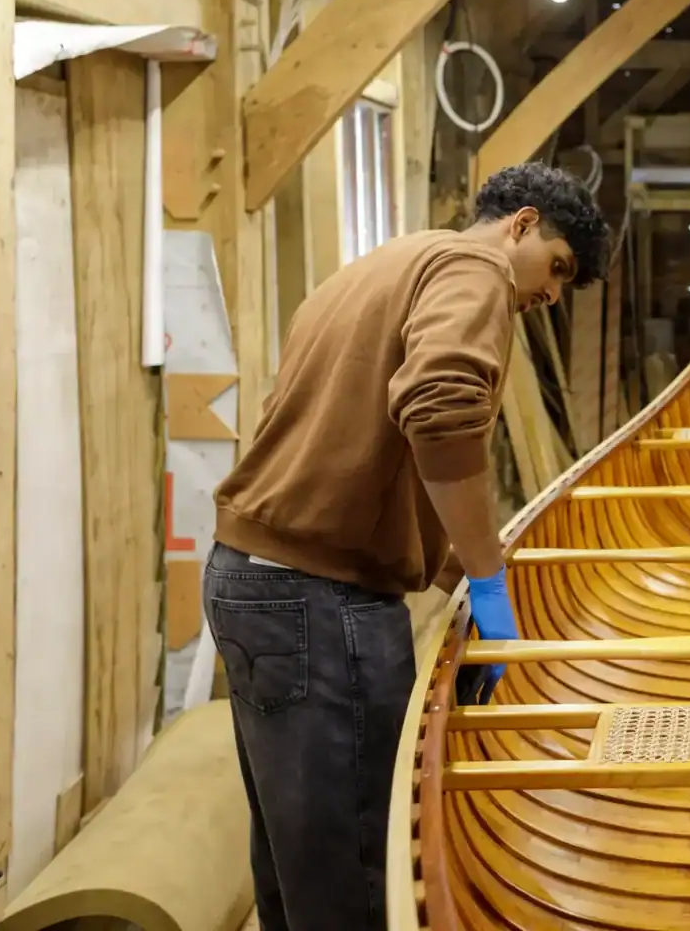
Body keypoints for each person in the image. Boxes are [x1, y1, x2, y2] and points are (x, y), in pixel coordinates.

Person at [204, 162, 610, 931]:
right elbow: (442, 410)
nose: (551, 295)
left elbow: (366, 449)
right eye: (557, 268)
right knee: (362, 869)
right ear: (521, 223)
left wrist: (457, 571)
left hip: (252, 581)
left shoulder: (382, 267)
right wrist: (491, 583)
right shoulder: (475, 268)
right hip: (321, 600)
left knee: (299, 862)